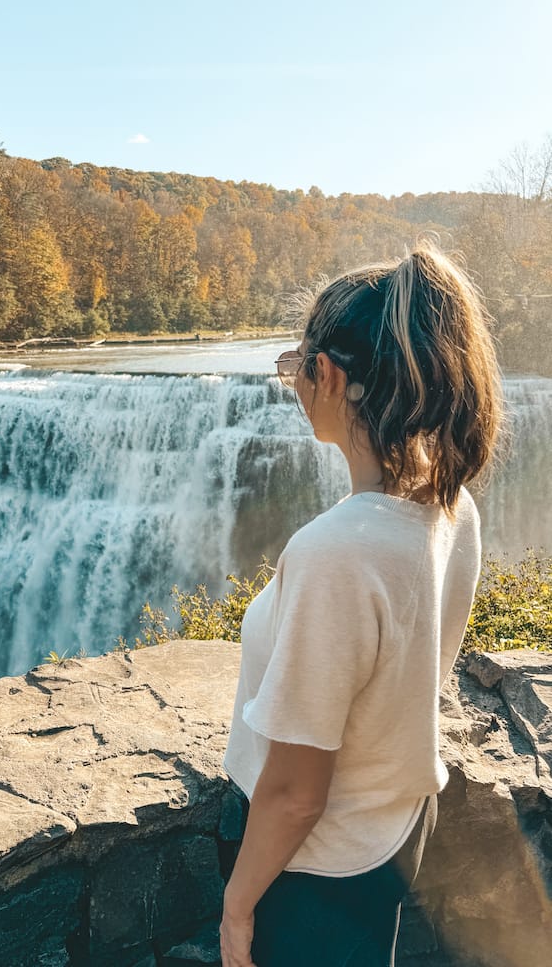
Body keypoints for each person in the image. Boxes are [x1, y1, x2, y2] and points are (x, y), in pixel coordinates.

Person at [220, 242, 503, 967]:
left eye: (296, 366)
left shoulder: (335, 552)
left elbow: (294, 793)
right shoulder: (449, 502)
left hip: (319, 867)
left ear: (332, 375)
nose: (292, 383)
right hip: (398, 821)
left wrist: (236, 909)